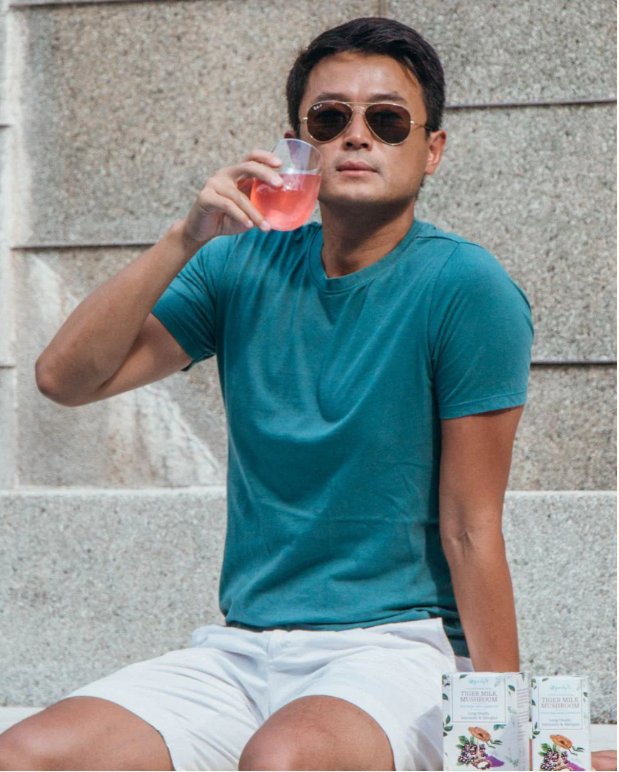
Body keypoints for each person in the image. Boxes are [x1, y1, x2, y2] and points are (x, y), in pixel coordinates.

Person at [1, 16, 615, 772]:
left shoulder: (466, 288)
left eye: (387, 120)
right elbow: (65, 379)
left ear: (432, 150)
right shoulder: (238, 266)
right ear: (298, 145)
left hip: (397, 650)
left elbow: (470, 526)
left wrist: (505, 731)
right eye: (330, 118)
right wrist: (185, 237)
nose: (357, 136)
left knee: (284, 759)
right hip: (242, 651)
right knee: (25, 754)